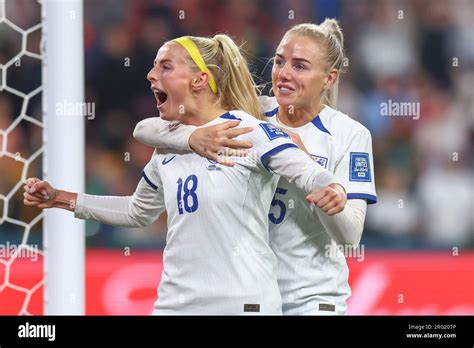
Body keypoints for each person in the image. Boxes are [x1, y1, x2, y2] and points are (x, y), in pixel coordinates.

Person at [23, 34, 347, 315]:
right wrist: (61, 199)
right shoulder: (169, 144)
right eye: (153, 66)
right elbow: (138, 210)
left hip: (243, 304)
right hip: (175, 304)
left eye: (165, 67)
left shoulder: (247, 132)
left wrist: (331, 187)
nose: (151, 75)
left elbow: (307, 171)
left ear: (199, 80)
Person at [133, 19, 377, 315]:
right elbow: (149, 128)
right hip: (251, 295)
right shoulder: (252, 112)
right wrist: (194, 136)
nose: (283, 74)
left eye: (299, 66)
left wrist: (315, 180)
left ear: (329, 78)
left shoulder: (350, 134)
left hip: (312, 299)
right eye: (279, 61)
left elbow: (350, 237)